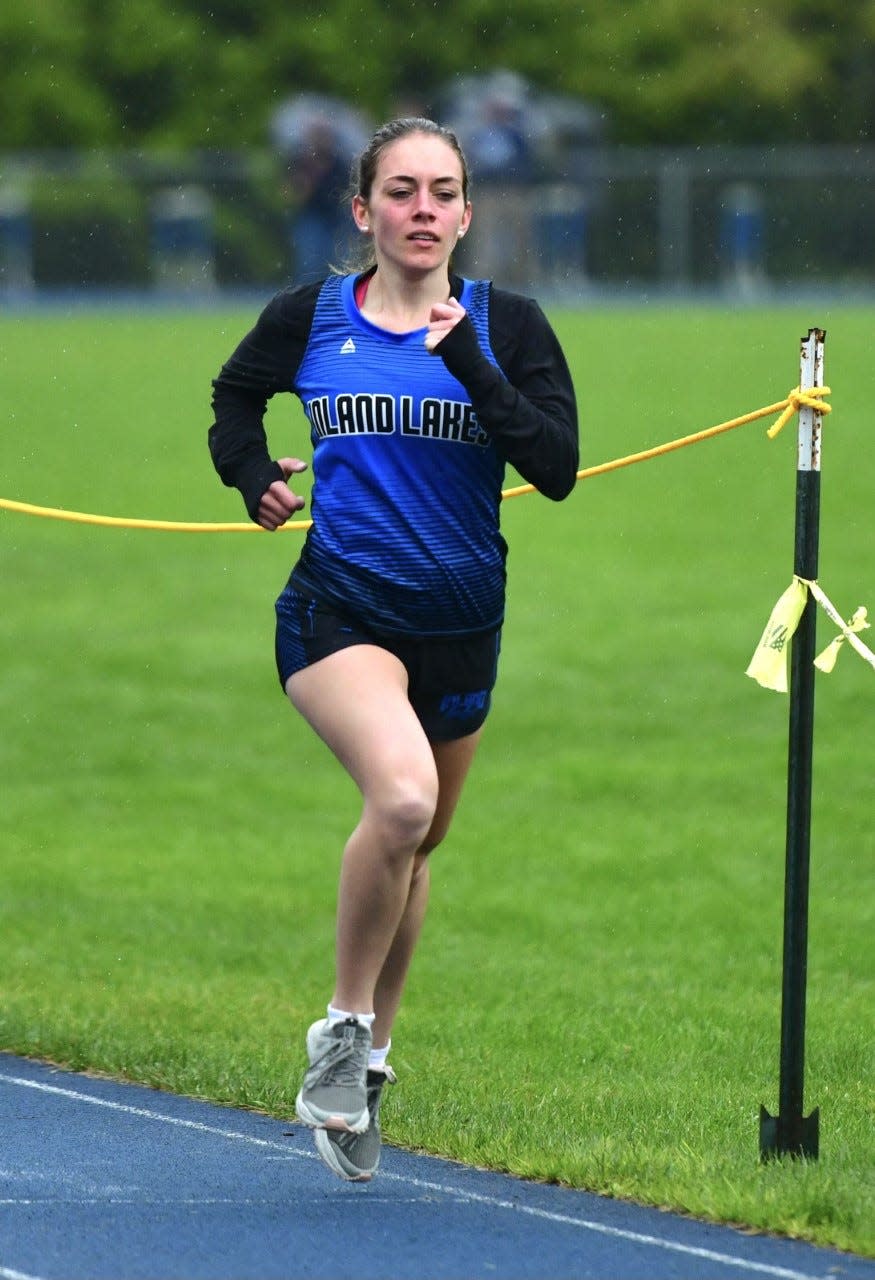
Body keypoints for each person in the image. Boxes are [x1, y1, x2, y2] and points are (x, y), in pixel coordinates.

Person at [208, 117, 579, 1182]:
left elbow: (552, 464)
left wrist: (468, 356)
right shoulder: (313, 316)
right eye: (402, 191)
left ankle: (369, 1061)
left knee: (412, 843)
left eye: (443, 192)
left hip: (462, 627)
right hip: (340, 612)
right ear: (362, 209)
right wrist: (248, 471)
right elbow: (235, 396)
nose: (423, 210)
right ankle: (335, 1031)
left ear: (466, 212)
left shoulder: (510, 323)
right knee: (404, 798)